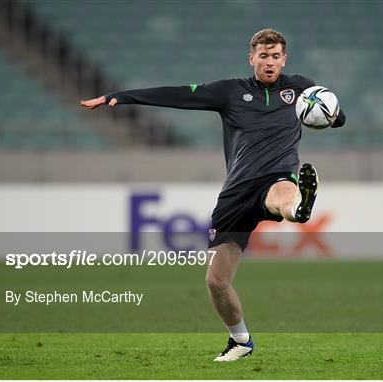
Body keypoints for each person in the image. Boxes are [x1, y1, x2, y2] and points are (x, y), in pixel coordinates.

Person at [81, 28, 346, 362]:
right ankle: (241, 341)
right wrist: (122, 96)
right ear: (251, 58)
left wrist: (330, 113)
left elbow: (335, 116)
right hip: (236, 190)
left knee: (281, 196)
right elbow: (178, 95)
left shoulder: (300, 87)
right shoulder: (230, 92)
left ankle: (300, 206)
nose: (269, 62)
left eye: (275, 56)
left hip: (277, 175)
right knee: (216, 282)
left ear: (284, 58)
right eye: (263, 56)